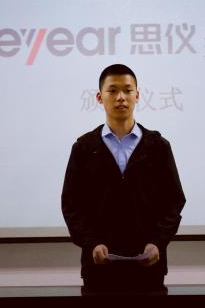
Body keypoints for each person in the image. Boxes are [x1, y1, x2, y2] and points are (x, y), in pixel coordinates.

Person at [61, 64, 186, 292]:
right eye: (112, 90)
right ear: (99, 97)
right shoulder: (84, 148)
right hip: (99, 268)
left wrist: (157, 242)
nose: (121, 97)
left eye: (128, 90)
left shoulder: (158, 147)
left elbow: (174, 201)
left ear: (137, 96)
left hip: (149, 266)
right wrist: (91, 243)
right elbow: (71, 205)